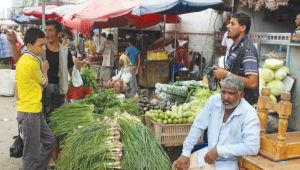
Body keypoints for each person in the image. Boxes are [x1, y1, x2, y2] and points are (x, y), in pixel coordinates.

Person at [173, 76, 260, 170]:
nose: (225, 97)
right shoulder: (214, 101)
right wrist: (185, 153)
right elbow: (198, 125)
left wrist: (219, 151)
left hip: (228, 162)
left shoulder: (249, 114)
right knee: (177, 166)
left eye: (231, 93)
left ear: (241, 95)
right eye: (223, 92)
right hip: (207, 154)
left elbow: (252, 147)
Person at [16, 27, 56, 170]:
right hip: (30, 112)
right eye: (41, 45)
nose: (44, 48)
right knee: (31, 153)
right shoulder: (31, 63)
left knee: (50, 141)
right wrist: (45, 69)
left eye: (44, 44)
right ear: (29, 46)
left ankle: (36, 167)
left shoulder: (26, 59)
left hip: (34, 110)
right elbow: (45, 83)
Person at [214, 13, 259, 105]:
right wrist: (220, 71)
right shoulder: (234, 47)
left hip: (243, 104)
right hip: (233, 102)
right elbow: (233, 72)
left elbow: (252, 83)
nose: (227, 26)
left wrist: (226, 74)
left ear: (242, 28)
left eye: (232, 24)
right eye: (229, 23)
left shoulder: (247, 50)